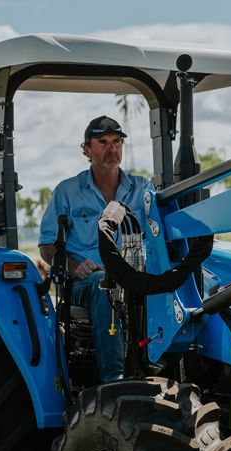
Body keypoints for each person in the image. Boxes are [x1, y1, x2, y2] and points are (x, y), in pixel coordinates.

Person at [39, 116, 153, 383]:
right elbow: (46, 246)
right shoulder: (67, 192)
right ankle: (114, 381)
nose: (111, 149)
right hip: (85, 282)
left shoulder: (143, 189)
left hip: (135, 275)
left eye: (116, 142)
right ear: (87, 150)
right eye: (102, 142)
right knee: (105, 285)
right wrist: (74, 266)